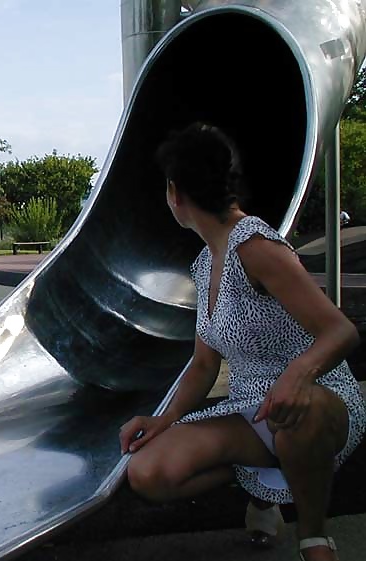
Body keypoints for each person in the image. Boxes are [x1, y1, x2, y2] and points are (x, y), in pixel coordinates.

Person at [119, 123, 365, 561]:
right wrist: (165, 418)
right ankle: (265, 489)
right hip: (252, 412)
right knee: (149, 472)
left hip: (320, 403)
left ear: (175, 194)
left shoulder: (255, 246)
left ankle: (313, 537)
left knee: (296, 413)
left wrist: (296, 377)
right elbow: (202, 365)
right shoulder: (203, 265)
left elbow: (340, 331)